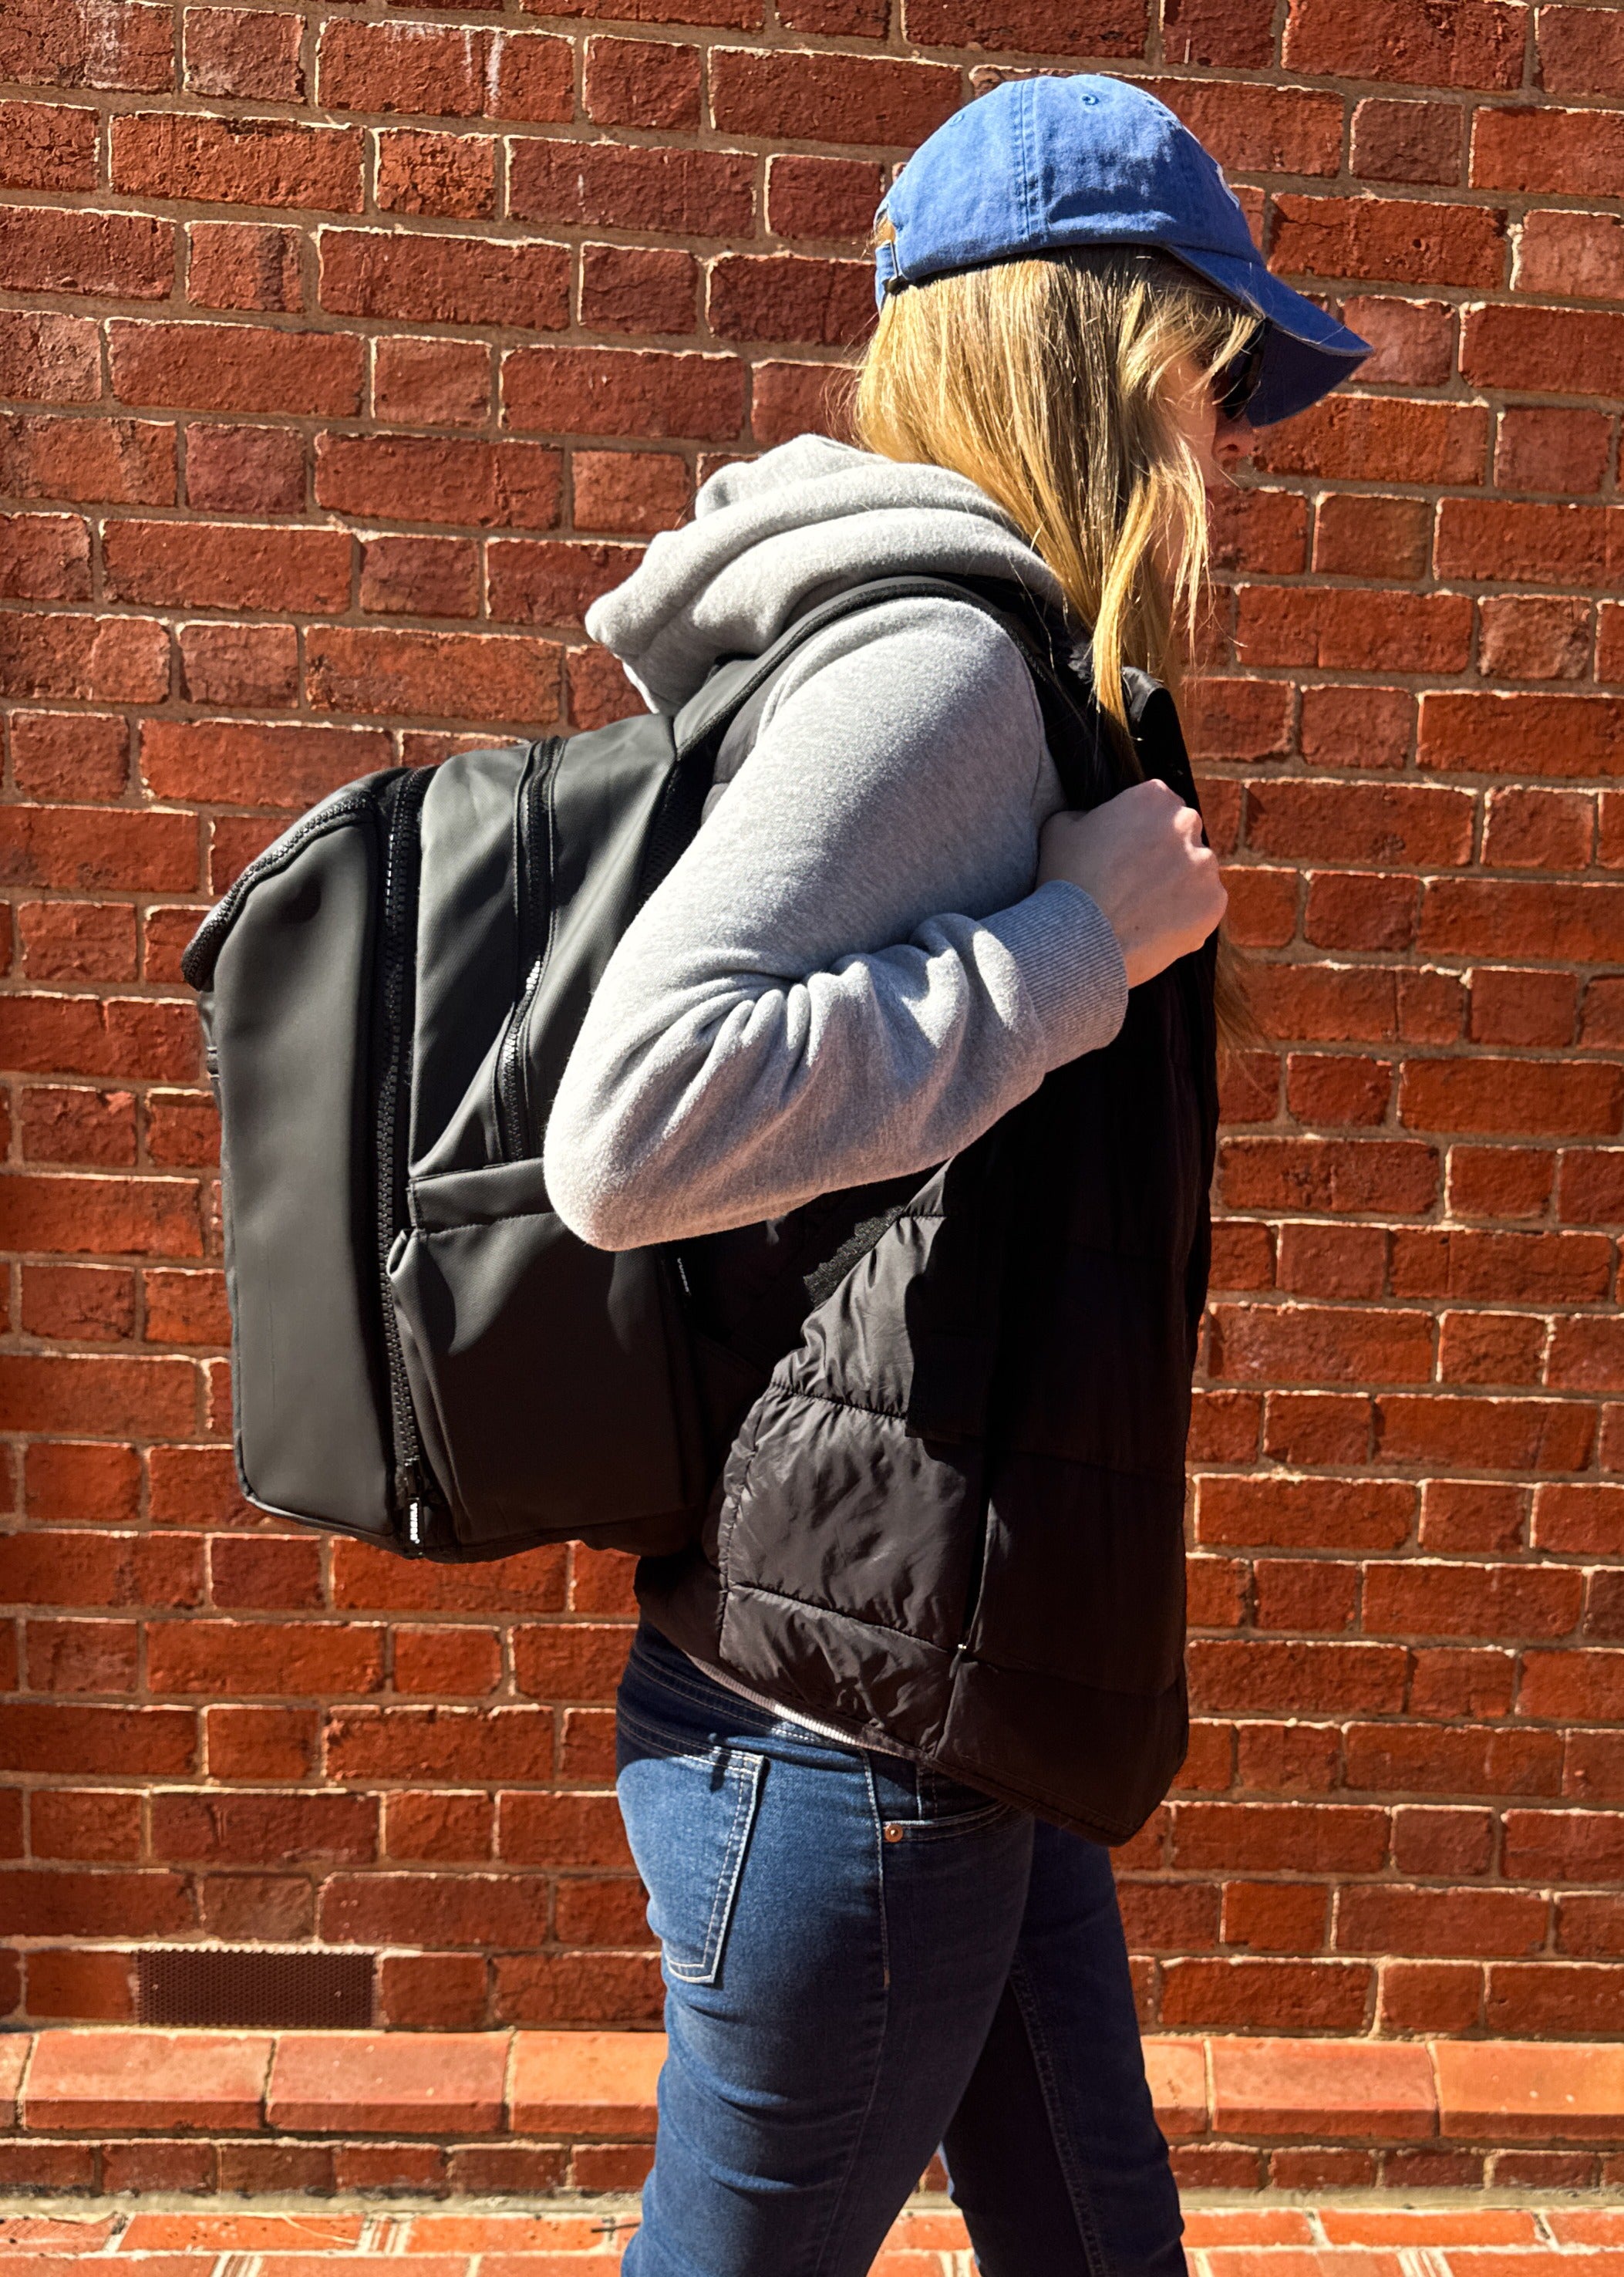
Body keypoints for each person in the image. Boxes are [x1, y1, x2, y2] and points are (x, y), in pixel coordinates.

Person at [544, 73, 1369, 2277]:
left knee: (1094, 2242)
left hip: (947, 1668)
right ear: (1104, 355)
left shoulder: (1023, 665)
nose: (1224, 442)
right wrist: (1081, 940)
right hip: (844, 1737)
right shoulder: (944, 664)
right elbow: (634, 1130)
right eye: (1208, 371)